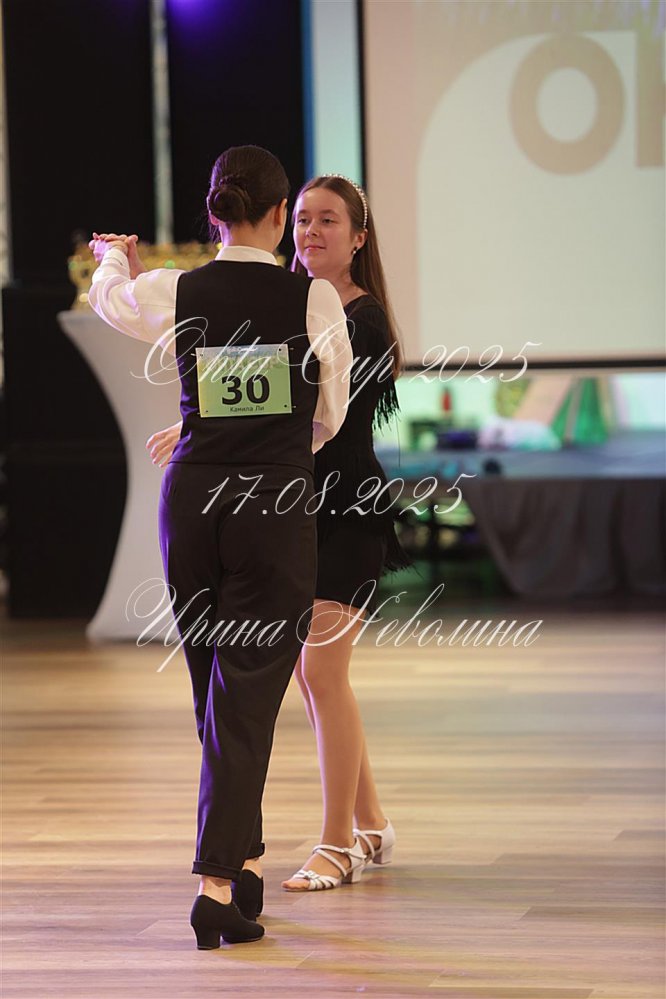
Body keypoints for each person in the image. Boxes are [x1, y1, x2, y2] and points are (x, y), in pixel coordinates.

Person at [87, 145, 353, 947]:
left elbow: (112, 301)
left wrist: (113, 258)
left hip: (193, 503)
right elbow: (329, 413)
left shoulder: (177, 288)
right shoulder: (312, 297)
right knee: (243, 700)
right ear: (278, 215)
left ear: (214, 213)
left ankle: (243, 863)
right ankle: (213, 884)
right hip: (271, 505)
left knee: (218, 694)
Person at [148, 173, 410, 896]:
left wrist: (222, 441)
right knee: (310, 676)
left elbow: (313, 419)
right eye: (302, 220)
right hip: (280, 511)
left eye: (328, 221)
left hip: (341, 510)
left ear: (358, 239)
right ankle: (373, 823)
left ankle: (337, 844)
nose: (311, 232)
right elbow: (252, 395)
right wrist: (195, 429)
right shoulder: (287, 302)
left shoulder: (358, 317)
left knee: (320, 673)